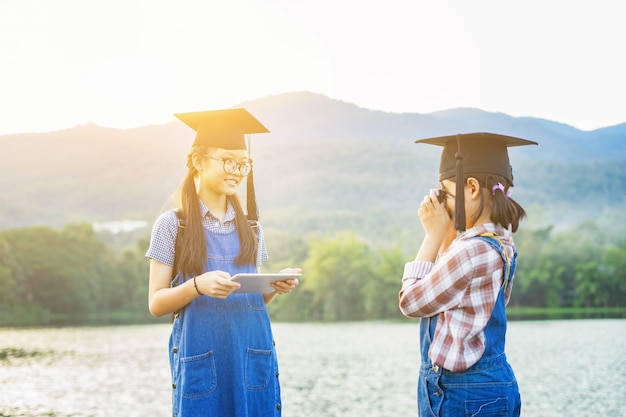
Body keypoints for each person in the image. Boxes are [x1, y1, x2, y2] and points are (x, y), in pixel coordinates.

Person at [146, 108, 301, 417]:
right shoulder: (172, 226)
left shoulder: (252, 229)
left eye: (244, 163)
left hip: (251, 356)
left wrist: (273, 286)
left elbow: (250, 301)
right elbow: (157, 303)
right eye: (228, 160)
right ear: (198, 161)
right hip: (202, 359)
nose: (238, 171)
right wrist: (196, 286)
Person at [398, 132, 537, 417]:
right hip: (491, 386)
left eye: (447, 194)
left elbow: (411, 302)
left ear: (471, 187)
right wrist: (449, 237)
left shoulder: (471, 251)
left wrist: (432, 236)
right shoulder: (500, 242)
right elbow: (453, 297)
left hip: (463, 393)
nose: (445, 204)